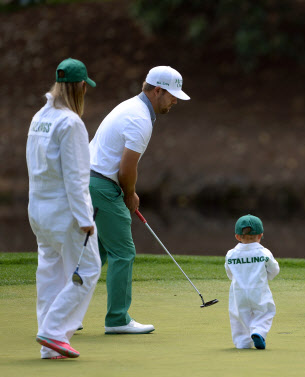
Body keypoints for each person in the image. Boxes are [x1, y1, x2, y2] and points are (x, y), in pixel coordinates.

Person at [89, 66, 190, 334]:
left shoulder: (132, 107)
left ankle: (67, 315)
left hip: (89, 180)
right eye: (172, 95)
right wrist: (130, 194)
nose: (175, 101)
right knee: (123, 253)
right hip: (101, 185)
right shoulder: (139, 119)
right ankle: (118, 320)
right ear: (157, 91)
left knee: (94, 255)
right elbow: (126, 169)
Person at [27, 58, 101, 359]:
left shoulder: (39, 117)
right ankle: (54, 331)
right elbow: (76, 176)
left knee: (51, 274)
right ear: (81, 86)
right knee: (89, 269)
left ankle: (50, 347)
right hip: (65, 212)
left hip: (39, 210)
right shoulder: (71, 123)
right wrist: (86, 218)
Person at [225, 215, 280, 349]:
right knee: (266, 312)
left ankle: (242, 343)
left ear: (237, 236)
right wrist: (267, 276)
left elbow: (229, 273)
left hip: (238, 292)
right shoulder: (264, 253)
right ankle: (258, 331)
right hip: (258, 290)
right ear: (260, 235)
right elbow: (274, 269)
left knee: (239, 316)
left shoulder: (231, 254)